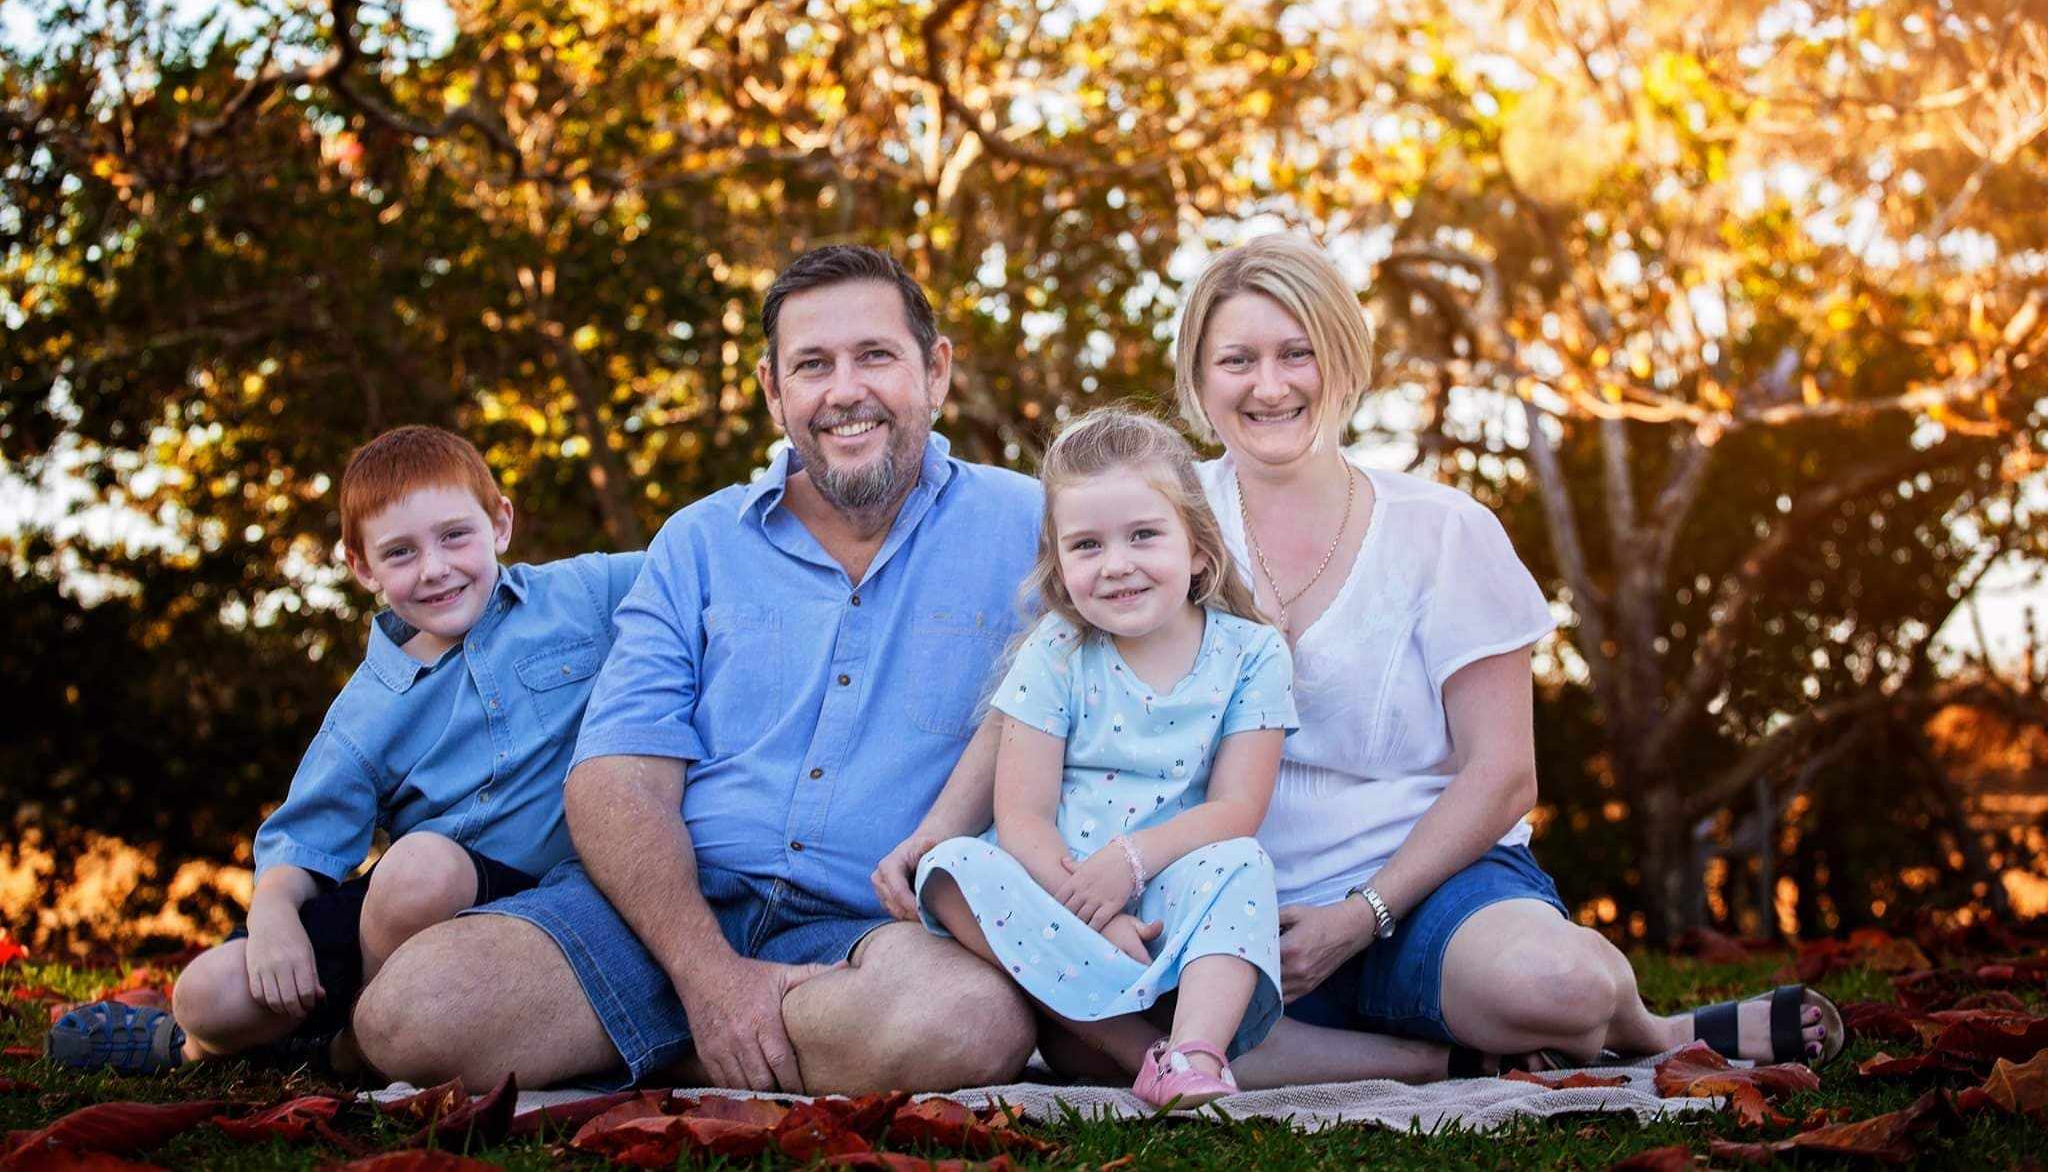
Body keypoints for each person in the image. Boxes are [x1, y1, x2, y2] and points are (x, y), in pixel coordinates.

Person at [351, 244, 1044, 1094]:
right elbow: (615, 780)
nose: (845, 390)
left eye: (876, 356)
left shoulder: (1035, 529)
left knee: (971, 1023)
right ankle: (735, 1031)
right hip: (661, 915)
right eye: (812, 365)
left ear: (934, 371)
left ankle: (653, 1044)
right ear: (772, 390)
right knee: (409, 1009)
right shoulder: (698, 542)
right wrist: (706, 971)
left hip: (871, 933)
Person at [1170, 232, 1844, 1084]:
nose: (1270, 385)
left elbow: (1503, 775)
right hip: (1226, 905)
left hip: (1421, 893)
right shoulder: (1163, 527)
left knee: (1560, 983)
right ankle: (1439, 1056)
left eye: (1296, 352)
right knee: (1095, 1016)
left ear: (1340, 358)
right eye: (1237, 359)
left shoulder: (1444, 530)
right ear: (1198, 379)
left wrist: (1358, 915)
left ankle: (1653, 1028)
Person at [46, 426, 644, 1075]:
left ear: (500, 522)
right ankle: (186, 1047)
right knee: (206, 993)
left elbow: (701, 565)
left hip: (531, 897)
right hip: (399, 923)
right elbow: (306, 836)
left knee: (421, 866)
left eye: (454, 535)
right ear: (362, 566)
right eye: (400, 552)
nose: (434, 568)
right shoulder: (366, 710)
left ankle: (347, 1053)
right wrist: (273, 912)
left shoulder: (583, 594)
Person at [917, 406, 1295, 1109]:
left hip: (1173, 879)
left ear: (1199, 549)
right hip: (1058, 887)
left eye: (1144, 535)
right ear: (1059, 563)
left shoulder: (1250, 653)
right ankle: (1145, 1056)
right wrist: (1090, 908)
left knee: (1244, 863)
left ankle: (1196, 1048)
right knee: (951, 869)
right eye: (1086, 545)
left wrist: (1131, 863)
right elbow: (1022, 815)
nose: (1116, 564)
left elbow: (1237, 809)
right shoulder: (1058, 651)